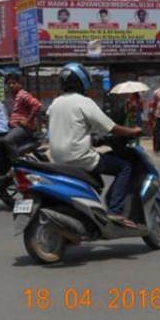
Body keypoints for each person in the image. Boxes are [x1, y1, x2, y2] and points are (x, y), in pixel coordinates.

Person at [47, 62, 142, 224]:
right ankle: (115, 211)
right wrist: (133, 131)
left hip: (57, 159)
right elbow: (111, 127)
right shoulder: (84, 102)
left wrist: (92, 137)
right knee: (125, 167)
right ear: (82, 80)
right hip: (80, 157)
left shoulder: (55, 103)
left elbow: (71, 128)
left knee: (98, 176)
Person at [1, 72, 42, 163]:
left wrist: (28, 121)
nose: (11, 85)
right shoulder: (13, 96)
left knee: (7, 141)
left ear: (20, 84)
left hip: (24, 128)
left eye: (13, 83)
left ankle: (16, 165)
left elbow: (37, 105)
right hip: (15, 127)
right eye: (9, 84)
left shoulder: (22, 94)